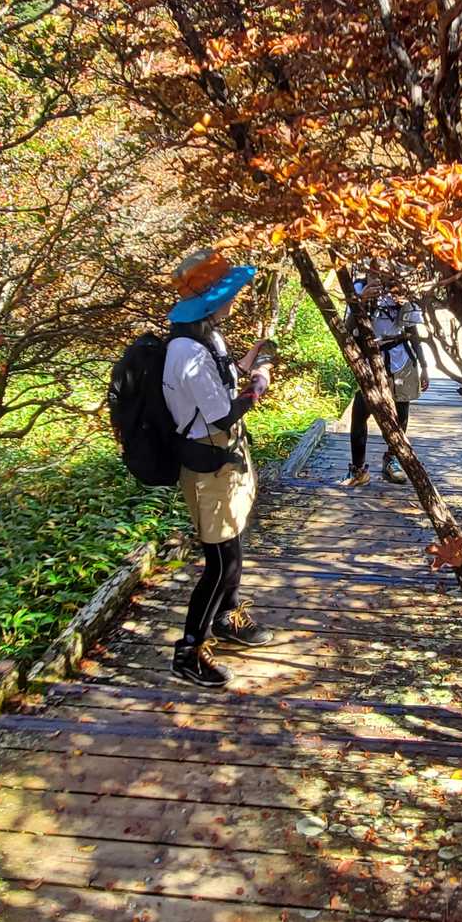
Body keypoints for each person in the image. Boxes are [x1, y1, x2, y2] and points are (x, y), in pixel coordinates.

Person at [162, 248, 279, 688]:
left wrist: (253, 361)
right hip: (209, 464)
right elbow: (222, 415)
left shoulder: (206, 337)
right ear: (212, 302)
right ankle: (188, 653)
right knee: (219, 560)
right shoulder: (186, 352)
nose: (235, 298)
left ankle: (228, 618)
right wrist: (260, 384)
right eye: (229, 293)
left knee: (231, 546)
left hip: (225, 459)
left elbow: (223, 382)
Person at [342, 263, 429, 487]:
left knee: (401, 412)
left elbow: (412, 330)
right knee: (361, 412)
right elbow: (346, 329)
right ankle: (358, 469)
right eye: (374, 269)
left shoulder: (401, 289)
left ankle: (392, 459)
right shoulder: (357, 288)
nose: (379, 274)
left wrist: (424, 365)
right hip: (370, 359)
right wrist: (361, 301)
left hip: (401, 358)